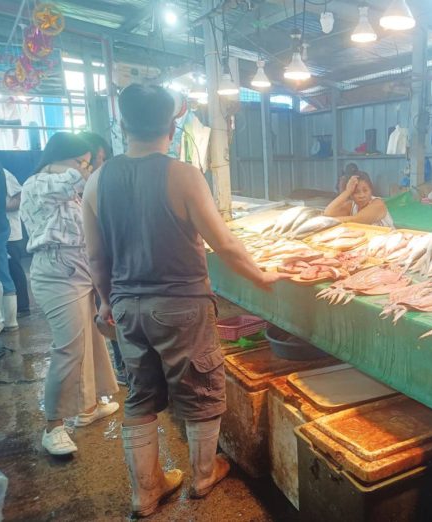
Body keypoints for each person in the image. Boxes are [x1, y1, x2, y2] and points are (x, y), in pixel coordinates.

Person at [82, 84, 287, 517]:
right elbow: (224, 243)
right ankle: (202, 474)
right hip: (181, 305)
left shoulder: (97, 181)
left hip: (127, 306)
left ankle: (145, 492)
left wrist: (105, 302)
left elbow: (96, 254)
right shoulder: (183, 175)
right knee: (200, 391)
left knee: (139, 395)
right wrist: (262, 276)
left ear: (121, 125)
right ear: (173, 126)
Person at [20, 132, 119, 456]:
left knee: (92, 340)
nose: (86, 167)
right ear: (58, 157)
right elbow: (73, 181)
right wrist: (88, 165)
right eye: (81, 160)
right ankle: (53, 426)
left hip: (80, 270)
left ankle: (88, 408)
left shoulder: (71, 191)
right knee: (68, 349)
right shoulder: (38, 184)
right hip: (56, 274)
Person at [78, 131, 126, 385]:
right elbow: (96, 255)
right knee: (111, 320)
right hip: (100, 271)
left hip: (109, 272)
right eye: (94, 160)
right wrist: (105, 298)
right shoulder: (90, 184)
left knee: (114, 320)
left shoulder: (103, 182)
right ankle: (125, 370)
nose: (100, 164)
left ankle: (127, 371)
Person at [324, 172, 394, 227]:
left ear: (371, 190)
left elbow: (357, 219)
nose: (362, 195)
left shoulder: (378, 204)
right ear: (351, 195)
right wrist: (347, 191)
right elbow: (328, 214)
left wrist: (327, 221)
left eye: (365, 190)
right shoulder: (351, 205)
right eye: (356, 192)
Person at [4, 168, 29, 319]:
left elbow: (20, 197)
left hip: (10, 232)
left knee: (14, 269)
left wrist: (2, 208)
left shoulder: (4, 174)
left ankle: (23, 306)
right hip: (2, 232)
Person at [0, 164, 16, 332]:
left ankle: (2, 322)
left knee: (1, 273)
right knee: (2, 272)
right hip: (1, 224)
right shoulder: (0, 168)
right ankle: (9, 322)